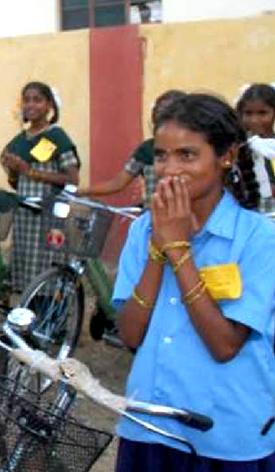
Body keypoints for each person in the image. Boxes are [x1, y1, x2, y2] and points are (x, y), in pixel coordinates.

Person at [112, 93, 275, 470]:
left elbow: (224, 344)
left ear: (226, 157)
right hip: (149, 425)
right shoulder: (142, 231)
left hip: (225, 436)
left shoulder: (258, 239)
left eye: (187, 155)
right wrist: (158, 246)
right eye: (160, 155)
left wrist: (179, 249)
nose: (169, 170)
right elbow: (132, 335)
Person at [0, 81, 80, 291]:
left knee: (47, 270)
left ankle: (51, 317)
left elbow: (72, 180)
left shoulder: (57, 137)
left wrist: (29, 171)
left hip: (49, 214)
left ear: (49, 105)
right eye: (26, 100)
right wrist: (14, 170)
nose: (31, 105)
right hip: (25, 216)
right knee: (25, 269)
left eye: (37, 100)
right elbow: (15, 183)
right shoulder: (19, 140)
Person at [80, 89, 186, 206]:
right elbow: (118, 183)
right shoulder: (146, 149)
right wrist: (80, 191)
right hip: (153, 218)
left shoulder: (191, 148)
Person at [235, 83, 275, 214]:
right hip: (253, 213)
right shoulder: (239, 146)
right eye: (248, 113)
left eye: (262, 113)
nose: (254, 120)